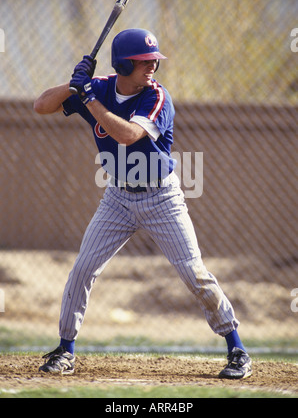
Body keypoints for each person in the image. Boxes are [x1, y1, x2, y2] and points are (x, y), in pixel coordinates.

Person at [34, 28, 252, 379]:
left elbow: (127, 134)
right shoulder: (100, 88)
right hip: (117, 199)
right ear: (122, 64)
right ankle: (65, 349)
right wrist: (72, 85)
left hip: (161, 198)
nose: (152, 67)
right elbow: (41, 105)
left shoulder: (156, 97)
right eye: (144, 62)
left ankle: (236, 348)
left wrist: (88, 97)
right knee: (83, 269)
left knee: (194, 274)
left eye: (154, 61)